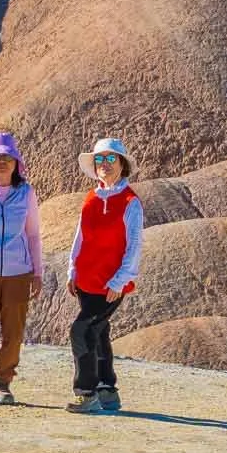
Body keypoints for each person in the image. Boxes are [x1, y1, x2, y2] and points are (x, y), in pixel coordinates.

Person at [68, 137, 143, 413]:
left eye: (111, 159)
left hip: (111, 284)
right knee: (98, 332)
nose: (105, 164)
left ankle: (86, 393)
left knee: (81, 331)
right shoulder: (91, 198)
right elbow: (80, 237)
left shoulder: (130, 202)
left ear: (122, 165)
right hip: (86, 281)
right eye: (100, 159)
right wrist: (72, 270)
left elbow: (134, 246)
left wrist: (119, 281)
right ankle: (107, 390)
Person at [0, 132, 42, 405]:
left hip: (18, 272)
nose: (2, 162)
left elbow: (33, 235)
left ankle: (3, 382)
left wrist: (37, 272)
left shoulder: (26, 193)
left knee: (13, 333)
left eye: (7, 158)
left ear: (16, 163)